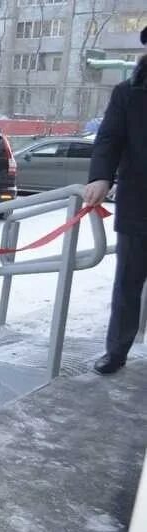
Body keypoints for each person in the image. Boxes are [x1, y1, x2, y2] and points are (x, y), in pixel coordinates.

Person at [85, 51, 147, 375]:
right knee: (128, 283)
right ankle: (117, 351)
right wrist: (100, 176)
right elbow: (109, 138)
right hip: (139, 203)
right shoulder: (128, 93)